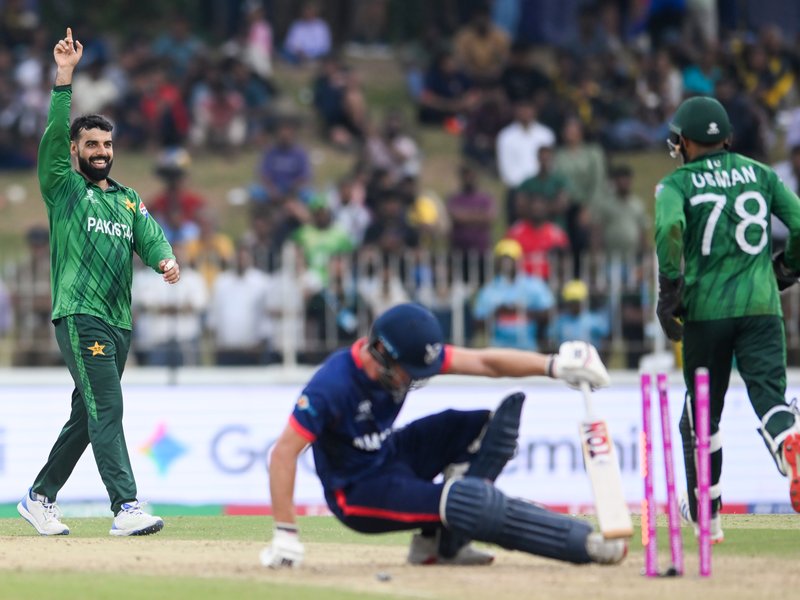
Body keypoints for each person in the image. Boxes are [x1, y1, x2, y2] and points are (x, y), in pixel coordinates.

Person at [260, 302, 627, 568]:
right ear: (382, 356)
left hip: (390, 456)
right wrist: (285, 534)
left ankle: (441, 546)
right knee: (468, 501)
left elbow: (484, 362)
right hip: (357, 491)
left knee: (482, 428)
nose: (419, 379)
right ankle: (584, 543)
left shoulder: (406, 355)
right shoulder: (332, 386)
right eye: (412, 371)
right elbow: (283, 454)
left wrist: (555, 365)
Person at [16, 28, 179, 537]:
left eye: (107, 144)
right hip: (79, 313)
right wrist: (64, 79)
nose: (102, 151)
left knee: (88, 417)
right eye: (92, 144)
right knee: (107, 405)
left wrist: (166, 260)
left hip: (118, 321)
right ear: (76, 150)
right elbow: (52, 137)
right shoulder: (64, 189)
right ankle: (126, 506)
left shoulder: (126, 198)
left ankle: (40, 497)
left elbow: (150, 236)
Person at [654, 96, 800, 544]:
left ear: (685, 142)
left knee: (700, 418)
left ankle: (707, 517)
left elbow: (668, 229)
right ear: (728, 139)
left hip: (706, 312)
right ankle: (789, 442)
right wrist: (786, 268)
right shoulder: (762, 173)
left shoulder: (676, 183)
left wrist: (669, 290)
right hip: (760, 307)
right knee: (770, 398)